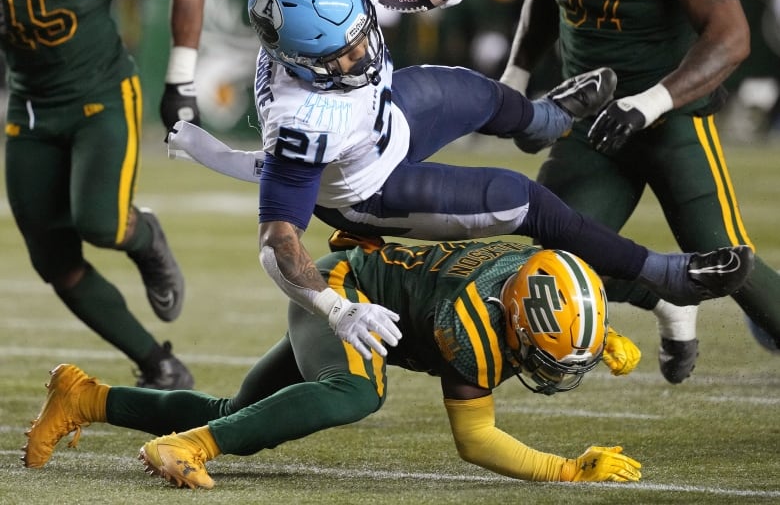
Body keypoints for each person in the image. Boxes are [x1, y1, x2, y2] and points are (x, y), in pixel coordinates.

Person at [226, 0, 752, 359]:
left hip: (387, 115)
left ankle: (544, 121)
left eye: (361, 35)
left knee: (480, 92)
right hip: (370, 187)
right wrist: (337, 311)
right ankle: (663, 276)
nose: (362, 56)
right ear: (296, 61)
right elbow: (277, 243)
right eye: (340, 56)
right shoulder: (300, 122)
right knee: (523, 199)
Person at [23, 233, 644, 487]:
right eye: (546, 357)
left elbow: (558, 297)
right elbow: (476, 438)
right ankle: (187, 447)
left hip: (373, 292)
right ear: (510, 320)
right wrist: (563, 470)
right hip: (347, 294)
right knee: (355, 392)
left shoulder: (538, 273)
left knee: (239, 412)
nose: (555, 371)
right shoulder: (472, 328)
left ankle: (85, 397)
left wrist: (597, 333)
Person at [499, 0, 780, 383]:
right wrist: (516, 73)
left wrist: (649, 103)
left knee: (721, 255)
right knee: (550, 262)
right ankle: (664, 297)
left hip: (669, 119)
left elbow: (731, 36)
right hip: (590, 121)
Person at [1, 0, 206, 388]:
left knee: (101, 223)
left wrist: (180, 81)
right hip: (29, 107)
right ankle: (159, 365)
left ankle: (144, 237)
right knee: (54, 260)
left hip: (100, 97)